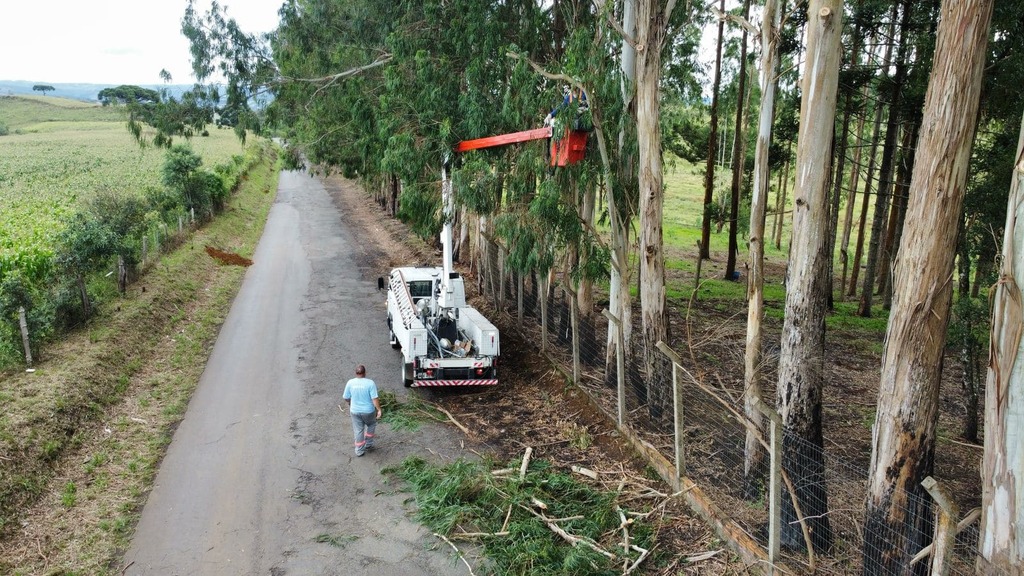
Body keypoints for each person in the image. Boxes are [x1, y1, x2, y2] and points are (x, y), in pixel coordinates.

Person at [343, 364, 382, 457]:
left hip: (355, 411)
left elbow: (346, 397)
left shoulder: (350, 382)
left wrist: (350, 403)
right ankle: (368, 444)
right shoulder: (370, 383)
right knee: (371, 424)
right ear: (365, 373)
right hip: (368, 411)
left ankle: (359, 450)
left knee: (358, 430)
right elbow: (374, 399)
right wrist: (379, 409)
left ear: (356, 373)